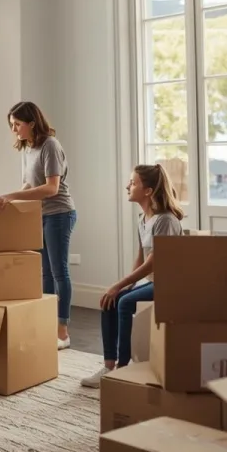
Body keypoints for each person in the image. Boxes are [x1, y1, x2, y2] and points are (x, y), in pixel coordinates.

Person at [81, 164, 183, 388]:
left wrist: (120, 285)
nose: (128, 186)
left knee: (124, 302)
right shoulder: (142, 218)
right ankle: (108, 366)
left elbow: (154, 262)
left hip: (170, 283)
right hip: (154, 281)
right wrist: (126, 284)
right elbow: (140, 255)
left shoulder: (165, 220)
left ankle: (123, 367)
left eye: (133, 183)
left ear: (148, 191)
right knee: (110, 300)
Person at [0, 101, 76, 349]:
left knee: (59, 272)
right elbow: (29, 185)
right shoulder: (28, 148)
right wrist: (6, 200)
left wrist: (10, 196)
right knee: (44, 273)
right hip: (40, 214)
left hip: (59, 213)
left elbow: (51, 188)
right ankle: (46, 324)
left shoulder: (50, 145)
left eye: (17, 124)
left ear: (32, 123)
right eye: (11, 125)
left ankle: (62, 333)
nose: (14, 130)